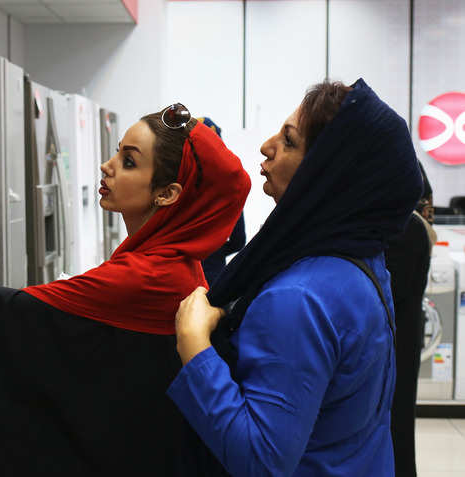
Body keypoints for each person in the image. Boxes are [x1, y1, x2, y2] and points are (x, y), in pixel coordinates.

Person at [0, 104, 251, 476]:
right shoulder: (174, 261)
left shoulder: (151, 274)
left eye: (129, 162)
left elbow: (15, 310)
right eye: (116, 153)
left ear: (167, 194)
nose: (107, 167)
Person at [168, 79, 422, 476]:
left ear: (327, 174)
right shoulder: (362, 265)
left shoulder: (299, 299)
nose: (266, 146)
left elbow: (261, 461)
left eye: (289, 141)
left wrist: (194, 347)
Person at [385, 162, 434, 477]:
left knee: (395, 422)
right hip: (404, 327)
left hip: (397, 336)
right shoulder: (410, 224)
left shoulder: (404, 228)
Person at [198, 117, 247, 284]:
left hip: (181, 276)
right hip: (213, 278)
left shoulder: (178, 185)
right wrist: (215, 252)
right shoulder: (230, 186)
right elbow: (239, 241)